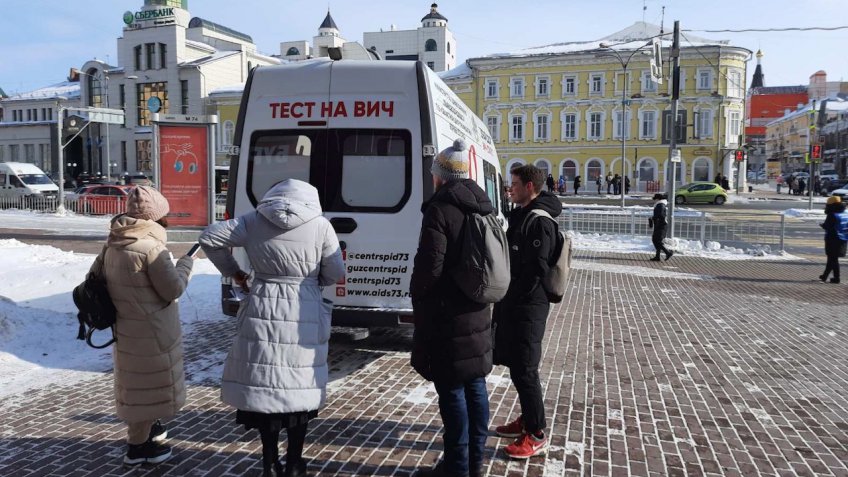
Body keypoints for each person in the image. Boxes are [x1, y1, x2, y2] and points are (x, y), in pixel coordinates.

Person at [199, 179, 344, 477]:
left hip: (262, 303)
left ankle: (268, 464)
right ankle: (293, 464)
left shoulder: (253, 221)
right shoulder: (320, 226)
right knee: (298, 391)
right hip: (304, 309)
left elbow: (210, 237)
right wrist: (312, 282)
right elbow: (335, 272)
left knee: (266, 387)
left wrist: (236, 273)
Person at [91, 186, 193, 466]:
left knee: (137, 384)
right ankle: (139, 446)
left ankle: (150, 428)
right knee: (150, 384)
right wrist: (185, 264)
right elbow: (173, 289)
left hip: (125, 328)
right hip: (153, 331)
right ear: (157, 216)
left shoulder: (113, 242)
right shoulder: (151, 248)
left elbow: (95, 278)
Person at [411, 139, 494, 477]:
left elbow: (430, 267)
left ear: (441, 176)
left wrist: (417, 295)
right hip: (478, 309)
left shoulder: (440, 209)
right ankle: (474, 464)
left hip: (448, 317)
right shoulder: (483, 206)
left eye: (435, 172)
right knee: (475, 385)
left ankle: (457, 468)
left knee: (452, 391)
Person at [493, 164, 561, 459]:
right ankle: (527, 419)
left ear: (530, 187)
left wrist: (512, 294)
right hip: (516, 303)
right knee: (517, 367)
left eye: (516, 184)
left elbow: (536, 269)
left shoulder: (539, 222)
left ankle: (536, 433)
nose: (511, 188)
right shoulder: (521, 215)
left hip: (529, 306)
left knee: (526, 369)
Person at [820, 196, 847, 284]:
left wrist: (822, 225)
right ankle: (825, 276)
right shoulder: (845, 213)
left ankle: (836, 278)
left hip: (832, 239)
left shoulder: (832, 214)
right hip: (843, 238)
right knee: (832, 259)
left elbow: (828, 226)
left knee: (833, 259)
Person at [648, 193, 673, 261]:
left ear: (658, 199)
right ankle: (658, 256)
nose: (654, 200)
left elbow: (661, 215)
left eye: (655, 199)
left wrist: (653, 218)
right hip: (659, 224)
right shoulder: (660, 204)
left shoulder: (660, 205)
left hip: (661, 225)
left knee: (657, 240)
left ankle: (667, 253)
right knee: (655, 240)